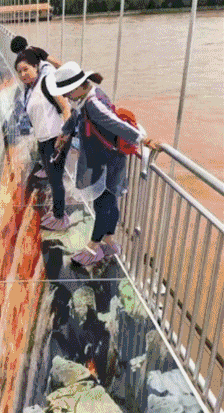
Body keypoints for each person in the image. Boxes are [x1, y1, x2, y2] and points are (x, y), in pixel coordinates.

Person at [45, 61, 159, 265]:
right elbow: (77, 116)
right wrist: (65, 132)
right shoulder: (89, 96)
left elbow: (115, 124)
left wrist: (143, 140)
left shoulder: (93, 103)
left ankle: (94, 246)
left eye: (68, 92)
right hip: (105, 158)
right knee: (109, 202)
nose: (67, 97)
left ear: (78, 86)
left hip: (106, 162)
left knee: (103, 204)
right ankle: (109, 241)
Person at [15, 49, 72, 231]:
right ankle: (57, 213)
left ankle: (60, 217)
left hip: (55, 138)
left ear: (36, 67)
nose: (23, 74)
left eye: (26, 69)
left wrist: (64, 135)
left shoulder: (47, 82)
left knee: (55, 179)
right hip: (43, 139)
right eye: (19, 71)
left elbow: (65, 108)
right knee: (53, 177)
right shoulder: (30, 89)